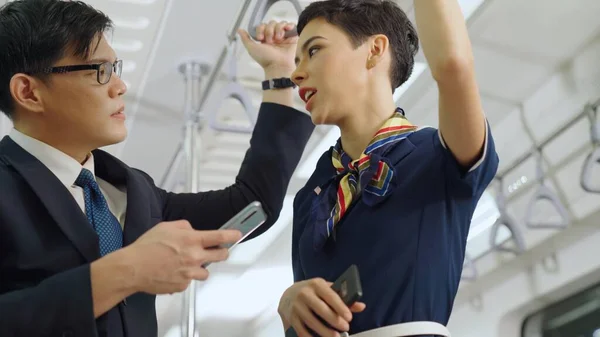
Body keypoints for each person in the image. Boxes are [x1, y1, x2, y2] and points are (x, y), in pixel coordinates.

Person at [0, 0, 315, 336]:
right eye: (98, 71)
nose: (120, 86)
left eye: (114, 69)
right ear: (28, 92)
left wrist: (278, 75)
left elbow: (253, 206)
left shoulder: (133, 191)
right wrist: (124, 272)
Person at [238, 0, 499, 336]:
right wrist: (291, 301)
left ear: (375, 50)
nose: (297, 72)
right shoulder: (312, 195)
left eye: (314, 50)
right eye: (297, 59)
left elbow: (453, 65)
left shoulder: (439, 157)